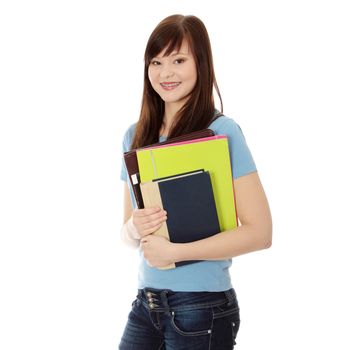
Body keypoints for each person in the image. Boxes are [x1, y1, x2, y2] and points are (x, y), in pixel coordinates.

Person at [118, 14, 272, 350]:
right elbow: (127, 233)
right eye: (156, 62)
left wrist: (177, 252)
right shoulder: (135, 135)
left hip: (202, 309)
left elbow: (260, 233)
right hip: (147, 304)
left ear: (200, 63)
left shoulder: (222, 132)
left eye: (179, 60)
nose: (165, 73)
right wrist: (134, 228)